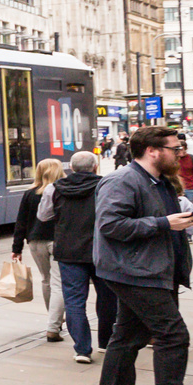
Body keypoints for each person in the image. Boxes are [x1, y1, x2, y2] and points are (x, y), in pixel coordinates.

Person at [93, 126, 193, 385]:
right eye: (174, 148)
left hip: (149, 269)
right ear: (153, 150)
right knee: (173, 336)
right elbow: (111, 225)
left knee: (128, 336)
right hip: (134, 271)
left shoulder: (158, 181)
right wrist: (164, 223)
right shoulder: (122, 180)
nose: (180, 153)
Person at [42, 151, 121, 361]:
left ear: (71, 168)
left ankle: (82, 349)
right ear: (95, 167)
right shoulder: (106, 185)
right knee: (107, 297)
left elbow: (43, 215)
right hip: (101, 250)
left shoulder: (55, 188)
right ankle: (105, 342)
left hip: (68, 251)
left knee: (74, 300)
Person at [13, 158, 63, 342]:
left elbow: (21, 222)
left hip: (36, 242)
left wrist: (16, 248)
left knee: (46, 280)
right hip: (58, 242)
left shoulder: (30, 193)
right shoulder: (63, 192)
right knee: (59, 284)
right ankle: (54, 325)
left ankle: (54, 318)